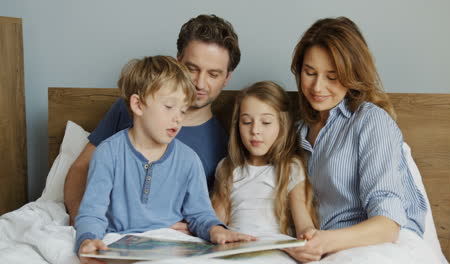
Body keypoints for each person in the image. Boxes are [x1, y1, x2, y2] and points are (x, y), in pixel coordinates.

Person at [283, 17, 438, 263]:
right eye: (309, 72)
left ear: (351, 75)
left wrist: (323, 241)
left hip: (384, 244)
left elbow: (388, 225)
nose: (317, 86)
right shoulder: (298, 132)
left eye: (332, 77)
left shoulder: (370, 121)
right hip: (327, 247)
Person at [75, 56, 255, 264]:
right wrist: (87, 240)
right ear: (138, 104)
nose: (178, 118)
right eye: (169, 107)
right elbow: (92, 214)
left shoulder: (189, 160)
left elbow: (200, 213)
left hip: (171, 246)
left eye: (183, 110)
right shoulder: (108, 153)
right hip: (118, 244)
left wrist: (216, 230)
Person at [64, 14, 239, 228]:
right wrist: (81, 221)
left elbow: (206, 212)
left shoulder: (227, 140)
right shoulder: (132, 108)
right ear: (178, 62)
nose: (200, 83)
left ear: (227, 77)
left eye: (213, 74)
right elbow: (81, 168)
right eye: (192, 68)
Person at [211, 81, 316, 240]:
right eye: (246, 122)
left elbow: (304, 223)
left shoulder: (291, 168)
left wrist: (309, 236)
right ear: (237, 125)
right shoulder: (227, 167)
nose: (255, 131)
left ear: (282, 125)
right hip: (236, 248)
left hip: (274, 250)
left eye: (266, 122)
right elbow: (215, 223)